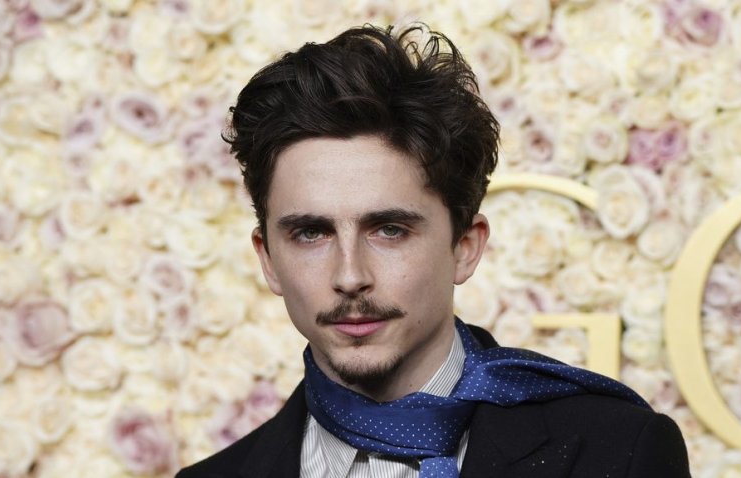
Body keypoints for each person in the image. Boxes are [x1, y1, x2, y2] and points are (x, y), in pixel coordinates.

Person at [176, 24, 691, 478]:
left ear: (465, 247)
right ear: (268, 259)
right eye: (312, 233)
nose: (350, 276)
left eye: (390, 230)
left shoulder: (616, 452)